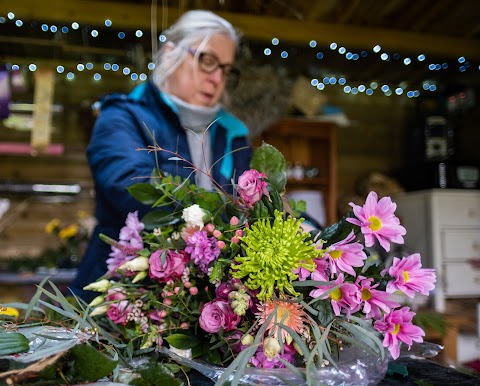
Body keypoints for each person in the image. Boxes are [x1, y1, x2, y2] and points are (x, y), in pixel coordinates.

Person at [69, 10, 252, 301]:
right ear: (170, 53)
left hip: (205, 302)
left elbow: (256, 200)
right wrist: (221, 222)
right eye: (207, 60)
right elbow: (132, 187)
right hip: (123, 292)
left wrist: (300, 226)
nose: (217, 78)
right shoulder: (122, 116)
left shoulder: (232, 133)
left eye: (226, 70)